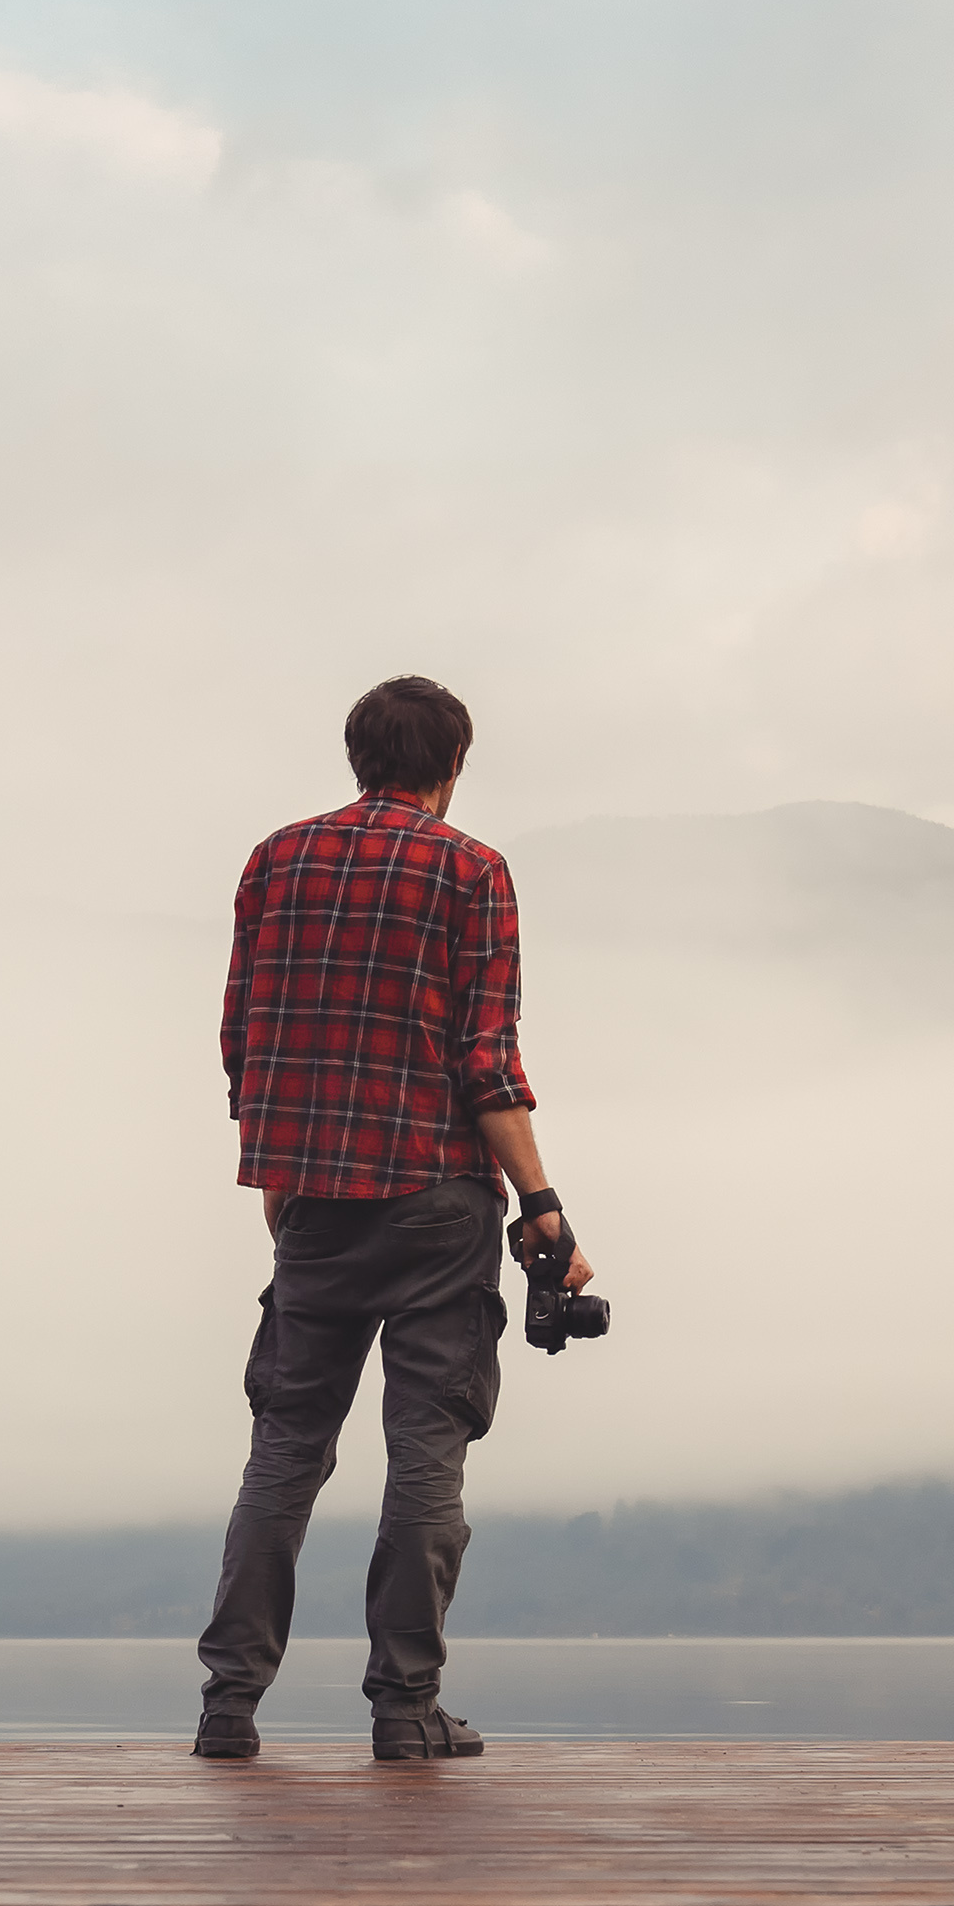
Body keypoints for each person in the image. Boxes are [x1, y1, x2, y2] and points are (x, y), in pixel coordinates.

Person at [194, 675, 594, 1765]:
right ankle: (405, 1710)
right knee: (426, 1455)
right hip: (437, 1203)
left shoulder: (275, 861)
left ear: (357, 756)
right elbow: (486, 1061)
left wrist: (281, 1184)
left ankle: (229, 1706)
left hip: (311, 1202)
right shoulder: (472, 871)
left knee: (284, 1450)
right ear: (452, 765)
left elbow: (245, 1041)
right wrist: (544, 1204)